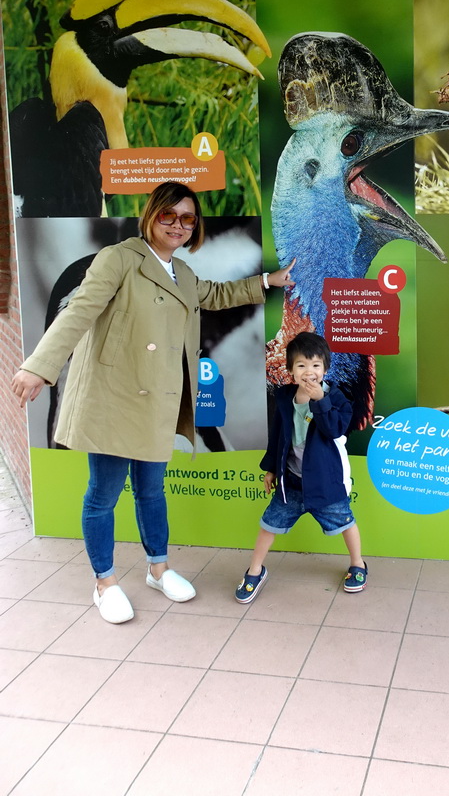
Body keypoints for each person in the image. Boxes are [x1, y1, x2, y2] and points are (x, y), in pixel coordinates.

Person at [10, 180, 295, 624]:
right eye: (169, 215)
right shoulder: (118, 259)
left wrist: (268, 281)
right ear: (151, 214)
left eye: (187, 218)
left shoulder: (182, 272)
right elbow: (79, 311)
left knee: (150, 491)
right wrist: (38, 366)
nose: (178, 225)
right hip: (114, 399)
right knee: (103, 496)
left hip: (160, 402)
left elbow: (216, 296)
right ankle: (104, 582)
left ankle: (158, 570)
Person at [236, 331, 367, 602]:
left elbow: (333, 430)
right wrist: (272, 468)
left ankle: (358, 564)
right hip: (292, 483)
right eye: (302, 365)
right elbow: (278, 436)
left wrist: (320, 399)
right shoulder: (284, 397)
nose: (309, 372)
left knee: (346, 522)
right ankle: (255, 570)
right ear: (291, 370)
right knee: (268, 525)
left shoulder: (338, 399)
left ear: (325, 369)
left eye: (316, 365)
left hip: (326, 483)